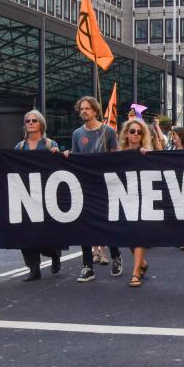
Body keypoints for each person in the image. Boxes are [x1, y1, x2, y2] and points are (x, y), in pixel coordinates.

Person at [66, 95, 122, 282]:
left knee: (109, 224)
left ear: (95, 111)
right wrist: (67, 155)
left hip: (105, 187)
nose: (83, 111)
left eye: (87, 108)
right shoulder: (77, 134)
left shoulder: (109, 132)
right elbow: (75, 157)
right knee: (84, 227)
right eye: (81, 109)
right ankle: (88, 266)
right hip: (84, 186)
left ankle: (116, 256)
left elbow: (117, 158)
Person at [12, 109, 64, 282]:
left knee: (47, 231)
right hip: (26, 195)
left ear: (41, 123)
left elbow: (60, 168)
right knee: (25, 232)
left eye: (34, 120)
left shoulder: (50, 144)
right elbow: (12, 167)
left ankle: (54, 254)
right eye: (28, 121)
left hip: (46, 196)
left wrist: (58, 155)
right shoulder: (20, 147)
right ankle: (33, 268)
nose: (31, 123)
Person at [118, 118, 152, 287]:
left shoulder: (145, 153)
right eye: (132, 131)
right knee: (127, 236)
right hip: (124, 200)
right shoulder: (118, 154)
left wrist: (148, 156)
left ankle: (135, 273)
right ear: (126, 134)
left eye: (139, 132)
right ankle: (142, 264)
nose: (136, 134)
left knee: (138, 234)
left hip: (142, 199)